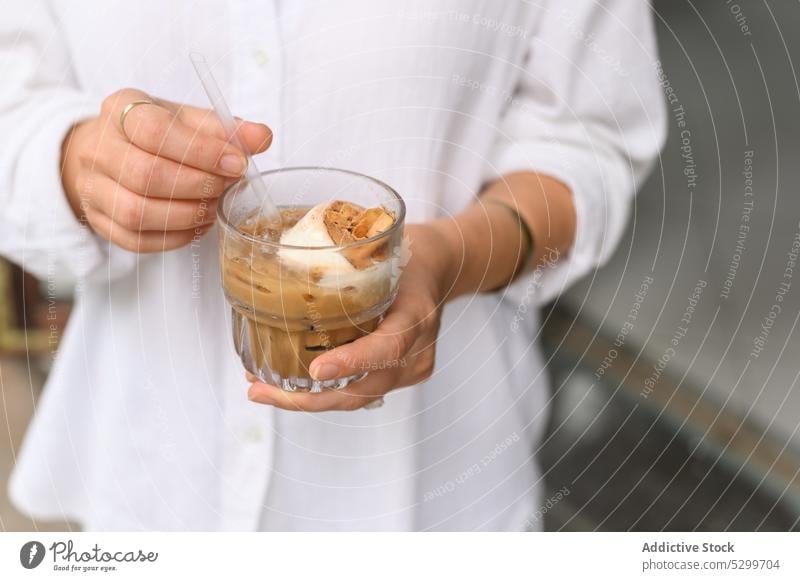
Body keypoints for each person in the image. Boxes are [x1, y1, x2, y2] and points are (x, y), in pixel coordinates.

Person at [0, 1, 665, 531]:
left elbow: (586, 140)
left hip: (435, 488)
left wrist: (453, 256)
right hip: (152, 473)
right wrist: (72, 161)